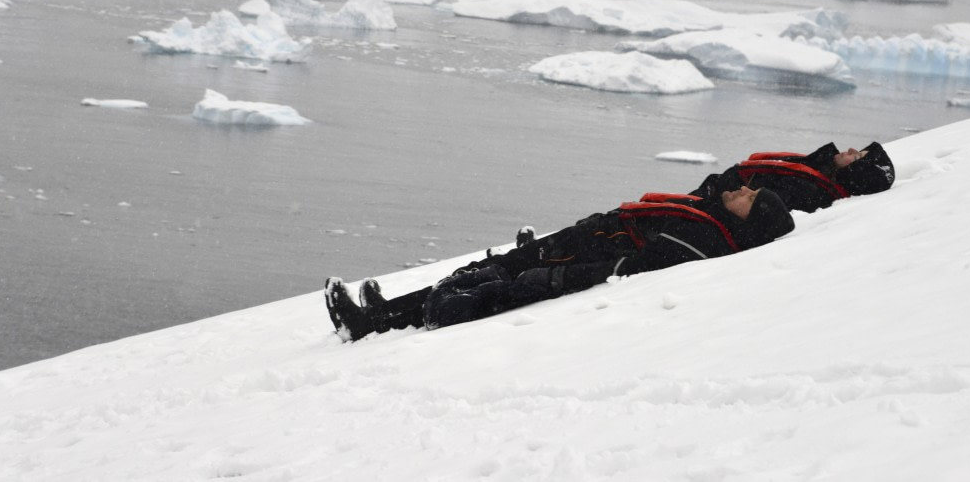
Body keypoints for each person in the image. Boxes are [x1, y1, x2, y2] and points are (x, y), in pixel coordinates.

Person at [324, 185, 794, 343]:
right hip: (582, 241)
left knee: (488, 278)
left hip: (578, 255)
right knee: (483, 271)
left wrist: (563, 272)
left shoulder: (703, 240)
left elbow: (630, 266)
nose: (741, 190)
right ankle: (387, 314)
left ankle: (373, 324)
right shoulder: (713, 220)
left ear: (749, 222)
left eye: (750, 198)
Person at [690, 141, 895, 213]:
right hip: (715, 191)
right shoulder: (820, 173)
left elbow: (751, 208)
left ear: (857, 174)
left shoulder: (811, 192)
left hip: (712, 200)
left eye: (857, 156)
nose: (850, 149)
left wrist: (712, 196)